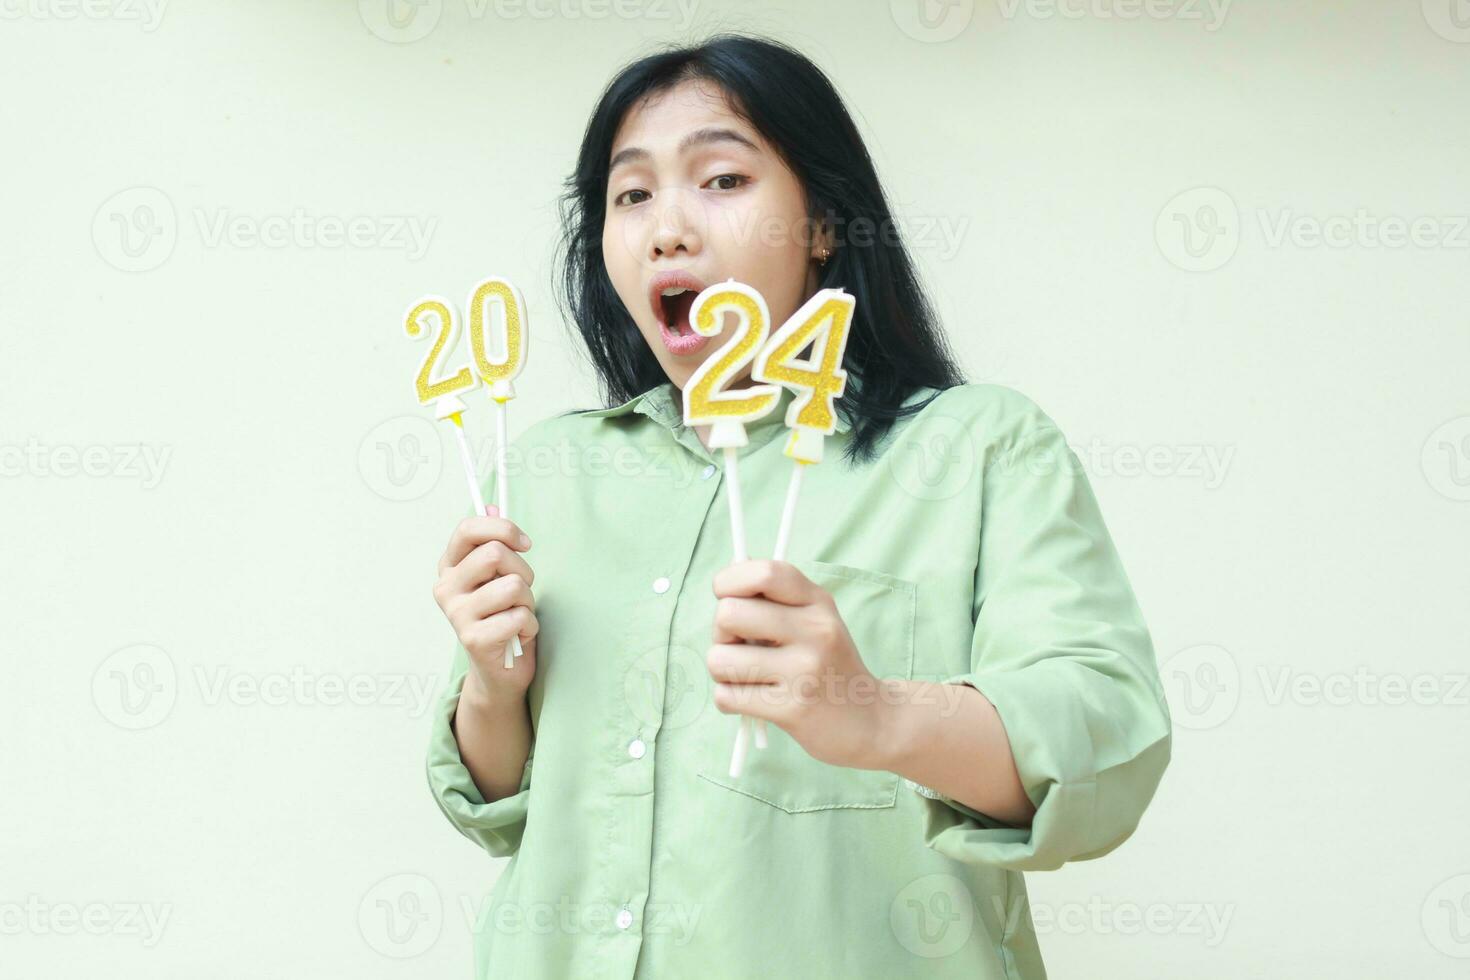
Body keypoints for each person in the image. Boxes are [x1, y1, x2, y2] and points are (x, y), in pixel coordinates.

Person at [426, 33, 1171, 979]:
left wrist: (873, 713)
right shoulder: (546, 471)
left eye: (723, 180)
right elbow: (500, 802)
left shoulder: (980, 448)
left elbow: (1107, 750)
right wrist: (494, 685)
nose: (667, 228)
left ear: (823, 223)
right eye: (632, 194)